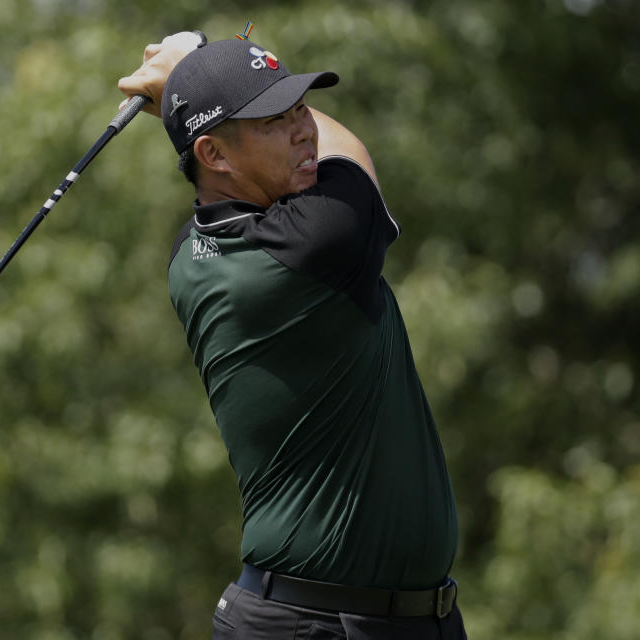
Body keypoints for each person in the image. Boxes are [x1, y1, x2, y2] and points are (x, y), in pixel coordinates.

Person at [118, 30, 467, 640]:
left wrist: (197, 81)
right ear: (215, 156)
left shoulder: (193, 252)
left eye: (301, 107)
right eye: (274, 120)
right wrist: (188, 70)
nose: (305, 129)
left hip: (399, 622)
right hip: (312, 624)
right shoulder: (309, 247)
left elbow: (256, 164)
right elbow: (350, 156)